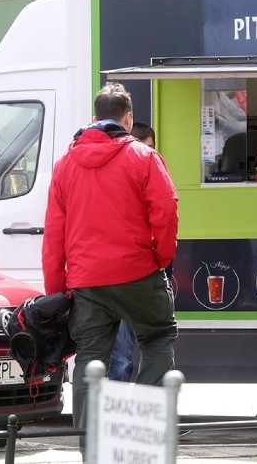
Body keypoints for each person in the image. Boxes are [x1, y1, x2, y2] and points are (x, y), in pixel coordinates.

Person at [43, 83, 179, 447]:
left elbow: (54, 235)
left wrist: (57, 292)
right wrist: (160, 260)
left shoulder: (65, 165)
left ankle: (92, 449)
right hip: (138, 273)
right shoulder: (144, 157)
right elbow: (166, 211)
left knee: (90, 361)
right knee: (159, 337)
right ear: (128, 119)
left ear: (93, 118)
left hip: (87, 283)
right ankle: (135, 430)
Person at [107, 121, 159, 383]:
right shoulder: (128, 172)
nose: (148, 153)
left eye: (151, 147)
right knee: (121, 354)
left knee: (127, 351)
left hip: (137, 272)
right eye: (143, 146)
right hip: (127, 273)